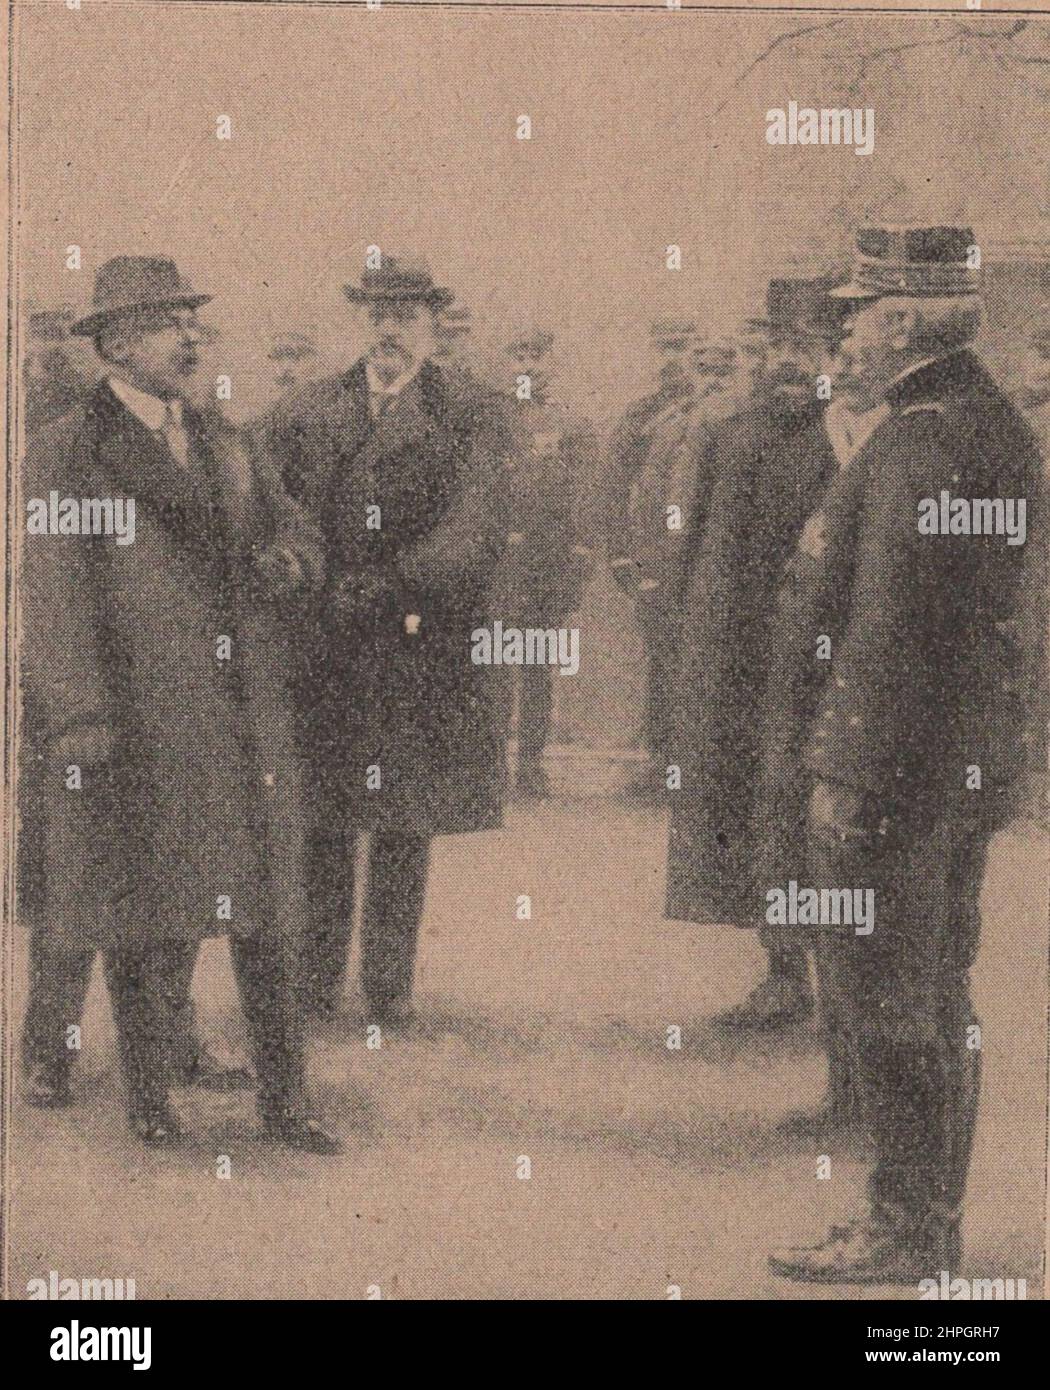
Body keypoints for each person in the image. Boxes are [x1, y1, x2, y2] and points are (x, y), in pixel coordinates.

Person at [767, 223, 1043, 1282]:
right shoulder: (978, 425)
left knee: (892, 1000)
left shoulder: (927, 438)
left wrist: (846, 772)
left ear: (901, 320)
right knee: (932, 993)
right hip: (947, 771)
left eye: (856, 310)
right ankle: (925, 1219)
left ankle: (907, 1224)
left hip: (892, 777)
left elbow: (892, 631)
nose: (843, 330)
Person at [21, 255, 339, 1153]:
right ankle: (151, 1102)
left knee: (269, 913)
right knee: (146, 912)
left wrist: (294, 562)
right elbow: (53, 593)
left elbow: (296, 530)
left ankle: (287, 1107)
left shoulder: (227, 438)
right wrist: (82, 715)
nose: (192, 337)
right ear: (118, 345)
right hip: (140, 718)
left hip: (244, 715)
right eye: (170, 323)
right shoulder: (68, 448)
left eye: (193, 320)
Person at [264, 257, 513, 1025]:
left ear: (432, 324)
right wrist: (309, 575)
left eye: (405, 314)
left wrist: (400, 581)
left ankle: (386, 988)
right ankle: (312, 981)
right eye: (377, 313)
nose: (389, 328)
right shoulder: (307, 409)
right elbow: (272, 504)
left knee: (403, 819)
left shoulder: (473, 412)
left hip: (417, 642)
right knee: (326, 816)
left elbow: (475, 526)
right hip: (327, 642)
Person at [666, 277, 848, 1037]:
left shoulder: (848, 434)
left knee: (816, 813)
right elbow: (689, 537)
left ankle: (834, 979)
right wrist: (685, 631)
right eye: (777, 345)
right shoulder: (726, 429)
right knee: (751, 810)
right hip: (736, 656)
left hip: (820, 657)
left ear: (832, 354)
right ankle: (781, 972)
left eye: (803, 347)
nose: (785, 361)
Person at [488, 328, 601, 797]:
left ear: (551, 364)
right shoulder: (487, 420)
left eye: (537, 357)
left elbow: (585, 496)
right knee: (492, 666)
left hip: (544, 565)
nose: (528, 367)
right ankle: (490, 764)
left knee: (535, 667)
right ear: (507, 361)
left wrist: (577, 563)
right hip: (495, 565)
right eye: (519, 355)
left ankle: (530, 764)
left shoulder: (571, 423)